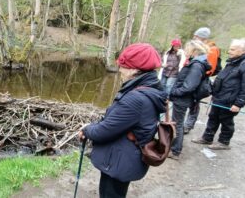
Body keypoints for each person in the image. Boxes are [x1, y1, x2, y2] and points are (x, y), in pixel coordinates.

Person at [78, 43, 167, 198]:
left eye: (123, 66)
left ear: (134, 69)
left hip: (119, 161)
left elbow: (104, 131)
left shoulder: (135, 98)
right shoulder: (149, 88)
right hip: (125, 158)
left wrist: (86, 130)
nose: (120, 70)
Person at [192, 39, 245, 150]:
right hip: (220, 96)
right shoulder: (233, 61)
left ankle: (224, 142)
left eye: (232, 49)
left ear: (243, 51)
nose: (229, 51)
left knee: (226, 120)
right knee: (213, 117)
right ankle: (207, 137)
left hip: (231, 99)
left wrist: (239, 103)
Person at [168, 40, 211, 160]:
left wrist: (174, 92)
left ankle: (175, 150)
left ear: (194, 50)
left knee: (177, 124)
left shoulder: (196, 65)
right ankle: (174, 147)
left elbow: (189, 86)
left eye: (187, 49)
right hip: (183, 98)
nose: (185, 51)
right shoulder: (197, 63)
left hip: (182, 99)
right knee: (177, 123)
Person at [184, 27, 221, 134]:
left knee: (195, 103)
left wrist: (196, 75)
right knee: (189, 101)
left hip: (200, 80)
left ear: (203, 38)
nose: (194, 38)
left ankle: (188, 125)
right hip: (193, 77)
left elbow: (210, 68)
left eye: (196, 36)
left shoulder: (212, 50)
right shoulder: (198, 48)